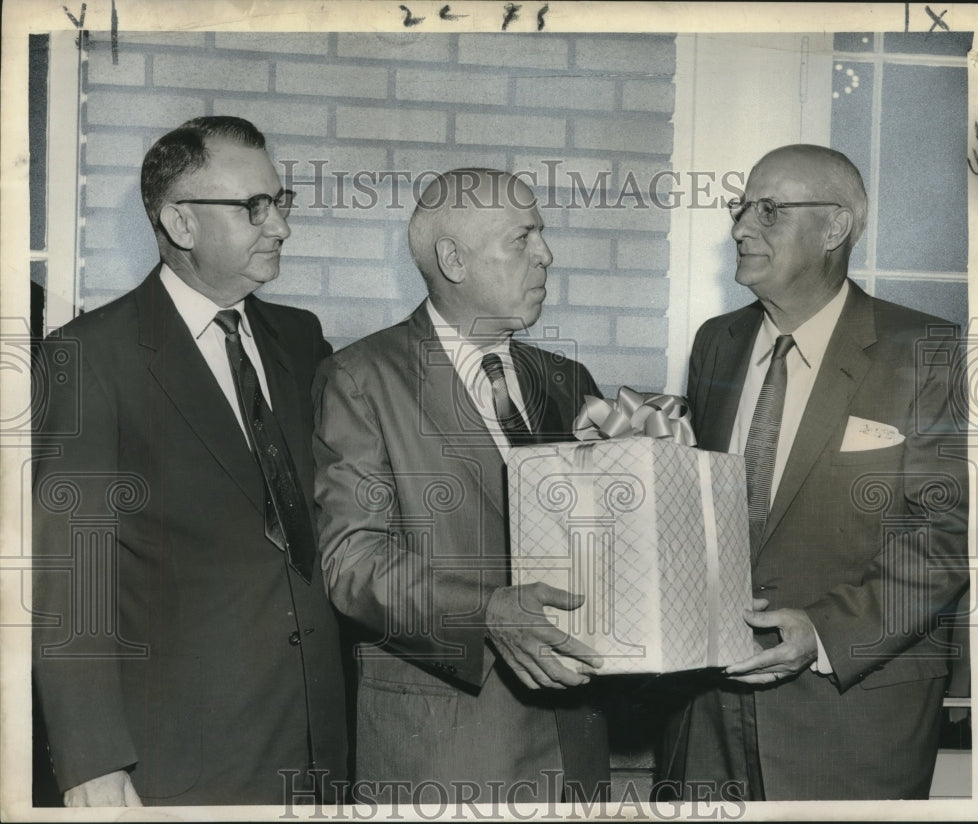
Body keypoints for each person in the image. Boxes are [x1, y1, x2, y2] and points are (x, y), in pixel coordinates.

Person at [32, 116, 348, 806]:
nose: (281, 227)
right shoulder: (91, 356)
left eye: (280, 201)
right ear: (179, 222)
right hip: (180, 756)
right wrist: (92, 761)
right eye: (253, 207)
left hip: (319, 744)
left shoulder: (301, 339)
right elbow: (74, 575)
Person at [667, 144, 969, 800]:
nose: (742, 226)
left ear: (834, 229)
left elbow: (949, 538)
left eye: (768, 210)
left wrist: (824, 631)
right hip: (710, 720)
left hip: (852, 725)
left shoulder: (930, 354)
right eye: (740, 207)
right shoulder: (715, 343)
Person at [313, 168, 610, 804]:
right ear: (453, 259)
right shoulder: (362, 377)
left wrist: (648, 459)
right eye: (522, 237)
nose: (546, 255)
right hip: (446, 752)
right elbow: (352, 562)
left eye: (544, 235)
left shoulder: (567, 379)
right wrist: (487, 613)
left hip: (575, 744)